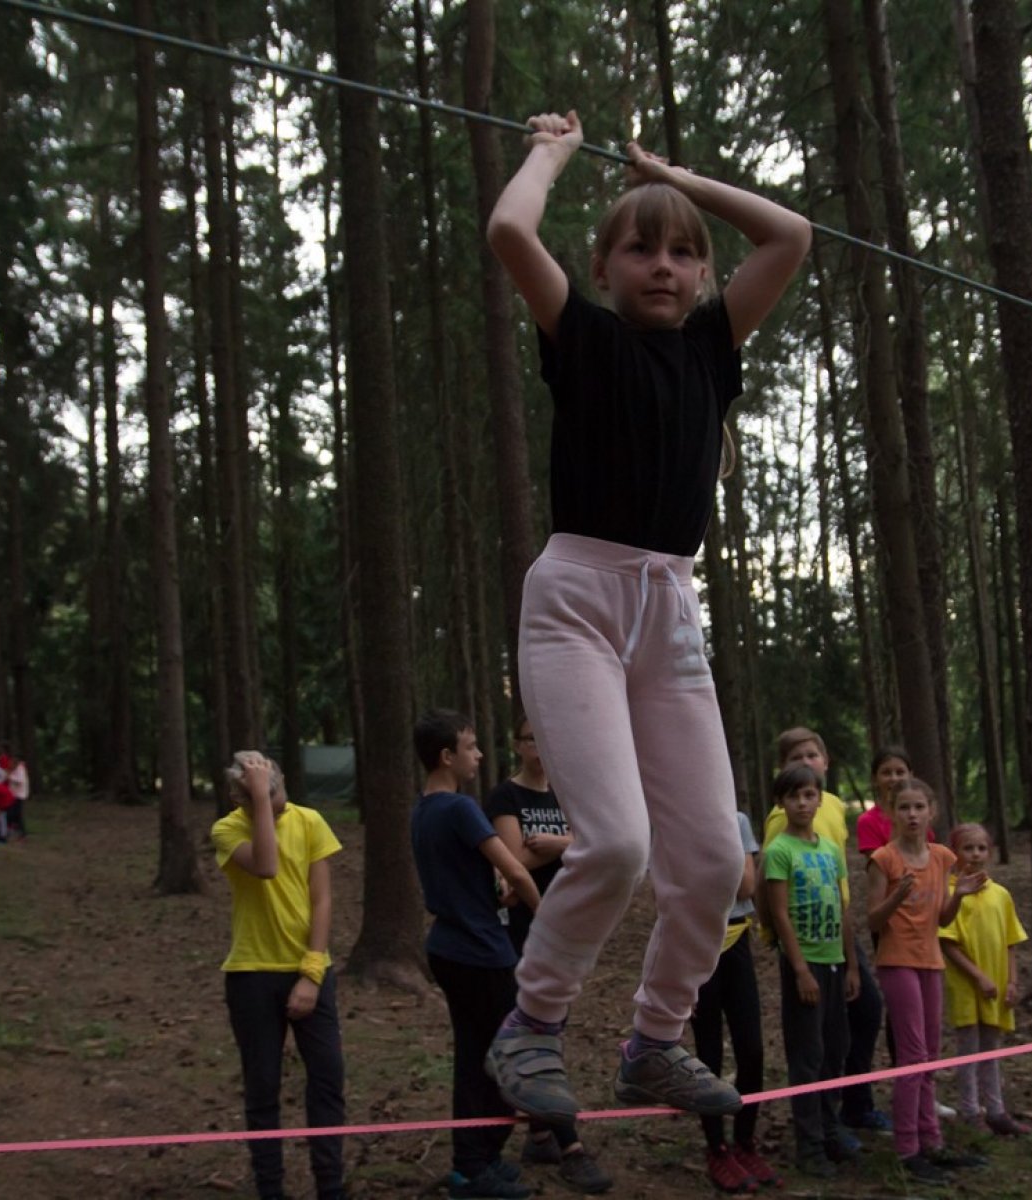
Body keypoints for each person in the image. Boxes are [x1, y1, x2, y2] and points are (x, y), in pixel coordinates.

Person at [481, 106, 810, 1125]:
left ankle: (655, 1042)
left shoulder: (712, 344)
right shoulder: (582, 337)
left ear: (704, 273)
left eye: (682, 253)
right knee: (618, 844)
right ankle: (532, 1025)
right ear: (604, 266)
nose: (662, 266)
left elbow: (790, 235)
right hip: (577, 605)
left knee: (713, 861)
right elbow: (509, 232)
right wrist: (552, 154)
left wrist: (673, 177)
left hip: (669, 613)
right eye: (639, 248)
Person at [411, 710, 546, 1200]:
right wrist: (545, 919)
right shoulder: (460, 808)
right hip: (480, 952)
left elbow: (463, 878)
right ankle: (472, 1165)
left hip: (451, 946)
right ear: (447, 756)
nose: (480, 755)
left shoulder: (423, 810)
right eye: (470, 747)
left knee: (477, 1054)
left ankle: (480, 1158)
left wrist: (493, 897)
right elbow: (519, 871)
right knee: (500, 1056)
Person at [481, 718, 611, 1195]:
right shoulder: (504, 797)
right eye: (532, 738)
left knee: (551, 1027)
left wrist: (558, 844)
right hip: (520, 930)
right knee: (540, 1032)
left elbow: (592, 846)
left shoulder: (566, 795)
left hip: (566, 923)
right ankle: (569, 1146)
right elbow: (512, 862)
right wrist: (565, 847)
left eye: (546, 737)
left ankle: (539, 1134)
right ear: (518, 745)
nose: (540, 746)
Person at [211, 751, 347, 1200]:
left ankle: (331, 1186)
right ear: (241, 797)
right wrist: (259, 801)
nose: (278, 800)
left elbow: (322, 900)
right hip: (252, 975)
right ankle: (270, 1189)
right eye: (264, 794)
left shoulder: (309, 821)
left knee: (327, 1079)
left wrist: (311, 972)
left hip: (310, 969)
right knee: (263, 1086)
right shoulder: (227, 829)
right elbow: (266, 866)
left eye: (278, 787)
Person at [762, 727, 890, 1135]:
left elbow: (837, 870)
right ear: (783, 773)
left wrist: (850, 950)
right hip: (805, 941)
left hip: (839, 930)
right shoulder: (781, 821)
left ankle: (849, 1107)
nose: (806, 763)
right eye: (796, 758)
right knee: (814, 1039)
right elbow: (772, 887)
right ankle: (820, 1124)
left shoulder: (832, 805)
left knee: (859, 1015)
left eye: (812, 755)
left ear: (826, 762)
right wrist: (783, 946)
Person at [865, 782, 987, 1185]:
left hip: (931, 961)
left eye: (919, 807)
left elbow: (943, 919)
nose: (912, 814)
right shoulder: (883, 859)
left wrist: (960, 895)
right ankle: (907, 1148)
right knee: (913, 1056)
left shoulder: (942, 857)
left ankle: (931, 1140)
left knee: (931, 1055)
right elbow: (873, 922)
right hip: (897, 961)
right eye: (904, 807)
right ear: (891, 813)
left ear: (931, 811)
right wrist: (896, 896)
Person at [761, 763, 859, 1178]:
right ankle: (810, 1144)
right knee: (808, 1054)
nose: (803, 803)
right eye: (794, 796)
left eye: (809, 795)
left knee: (836, 1048)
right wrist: (800, 969)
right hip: (805, 964)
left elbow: (843, 909)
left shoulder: (831, 850)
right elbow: (780, 914)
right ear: (781, 803)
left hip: (835, 961)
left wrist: (852, 965)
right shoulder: (779, 851)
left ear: (820, 799)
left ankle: (830, 1128)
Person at [692, 808, 777, 1194]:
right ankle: (717, 1148)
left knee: (751, 1049)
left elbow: (746, 886)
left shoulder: (736, 820)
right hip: (695, 942)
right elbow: (671, 891)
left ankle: (744, 1141)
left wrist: (704, 875)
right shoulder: (674, 819)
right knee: (708, 1053)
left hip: (736, 938)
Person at [938, 822, 1030, 1139]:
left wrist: (1011, 982)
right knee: (970, 1049)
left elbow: (1010, 942)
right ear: (955, 853)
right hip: (967, 985)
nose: (975, 854)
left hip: (997, 984)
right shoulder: (951, 894)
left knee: (991, 1049)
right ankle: (969, 1111)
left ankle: (996, 1111)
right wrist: (978, 977)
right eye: (968, 848)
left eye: (981, 848)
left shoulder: (1000, 894)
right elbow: (947, 943)